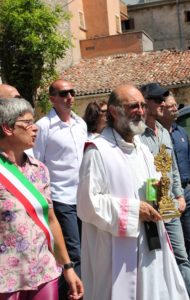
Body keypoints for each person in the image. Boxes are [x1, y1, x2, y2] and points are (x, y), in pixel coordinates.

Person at [77, 83, 189, 300]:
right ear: (113, 111)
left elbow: (151, 185)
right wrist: (134, 209)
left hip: (151, 241)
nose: (140, 111)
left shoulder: (143, 149)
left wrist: (158, 194)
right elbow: (87, 204)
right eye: (132, 106)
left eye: (142, 105)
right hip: (117, 248)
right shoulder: (97, 151)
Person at [0, 98, 84, 300]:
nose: (35, 128)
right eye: (27, 123)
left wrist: (68, 267)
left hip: (44, 272)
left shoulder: (40, 170)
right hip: (6, 279)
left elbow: (51, 220)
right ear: (7, 128)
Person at [140, 83, 190, 300]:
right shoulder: (136, 136)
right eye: (157, 100)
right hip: (149, 208)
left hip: (170, 206)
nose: (162, 104)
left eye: (162, 100)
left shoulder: (164, 132)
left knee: (181, 257)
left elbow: (173, 166)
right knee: (155, 261)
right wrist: (152, 203)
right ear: (145, 102)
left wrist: (179, 194)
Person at [33, 79, 87, 299]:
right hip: (61, 198)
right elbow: (36, 162)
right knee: (73, 253)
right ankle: (75, 294)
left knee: (87, 247)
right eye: (64, 93)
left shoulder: (80, 123)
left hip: (84, 197)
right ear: (52, 98)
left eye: (72, 92)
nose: (69, 97)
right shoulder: (43, 127)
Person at [157, 92, 190, 268]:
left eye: (176, 105)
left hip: (184, 193)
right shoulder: (156, 135)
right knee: (174, 241)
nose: (176, 109)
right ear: (161, 109)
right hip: (167, 195)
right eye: (172, 106)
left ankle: (188, 274)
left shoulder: (180, 131)